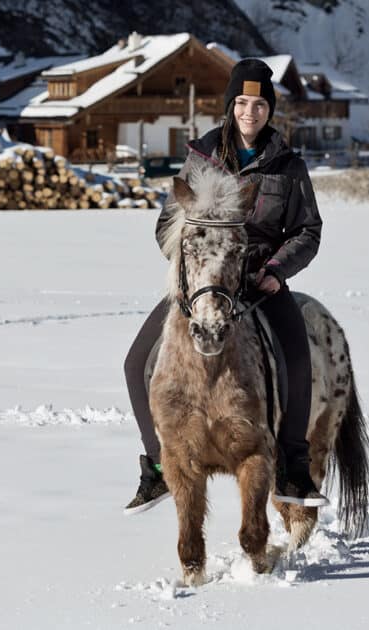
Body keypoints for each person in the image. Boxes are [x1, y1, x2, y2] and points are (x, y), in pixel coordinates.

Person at [123, 59, 328, 515]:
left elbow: (308, 231)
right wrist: (191, 267)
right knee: (136, 361)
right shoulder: (202, 157)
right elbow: (166, 225)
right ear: (230, 106)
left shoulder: (289, 167)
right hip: (203, 284)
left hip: (259, 282)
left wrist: (277, 269)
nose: (249, 112)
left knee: (297, 355)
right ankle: (156, 468)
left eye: (258, 104)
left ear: (269, 110)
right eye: (241, 103)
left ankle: (294, 466)